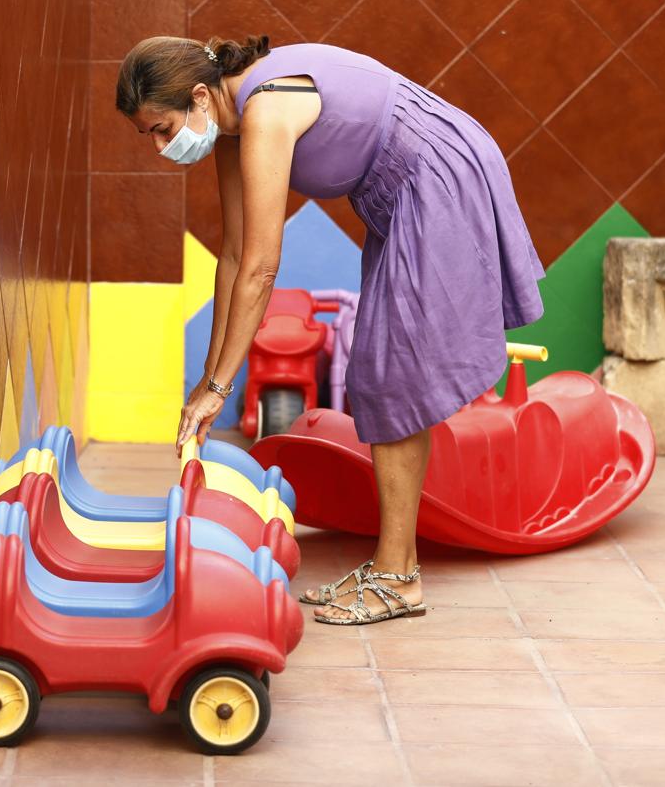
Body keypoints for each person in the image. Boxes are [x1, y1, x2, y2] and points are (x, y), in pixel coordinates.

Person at [115, 35, 545, 626]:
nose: (163, 146)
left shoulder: (266, 112)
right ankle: (392, 566)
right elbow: (235, 257)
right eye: (151, 137)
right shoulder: (229, 124)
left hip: (439, 175)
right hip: (401, 193)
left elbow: (265, 267)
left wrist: (218, 390)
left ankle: (398, 577)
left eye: (162, 128)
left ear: (197, 96)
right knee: (381, 369)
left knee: (390, 376)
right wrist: (207, 382)